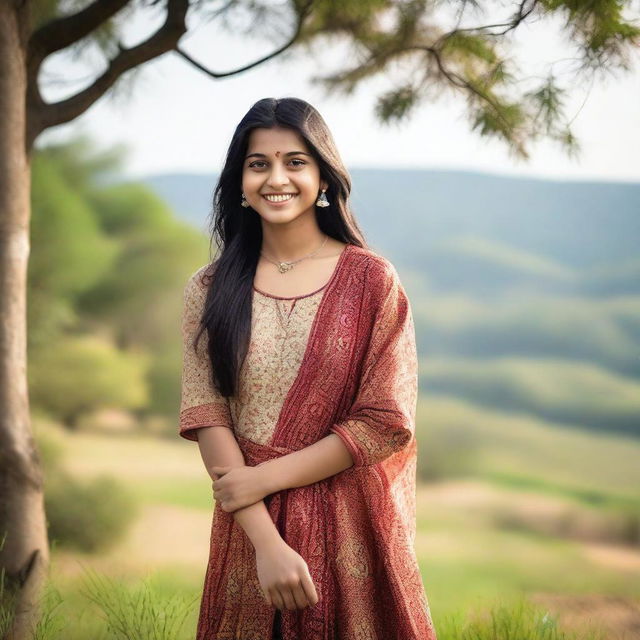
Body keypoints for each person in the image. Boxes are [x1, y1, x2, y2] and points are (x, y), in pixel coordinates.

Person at [179, 96, 437, 639]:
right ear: (240, 183)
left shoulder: (371, 281)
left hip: (350, 527)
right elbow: (208, 414)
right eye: (259, 164)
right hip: (247, 533)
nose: (277, 177)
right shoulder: (208, 288)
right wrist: (266, 542)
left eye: (295, 161)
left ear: (323, 177)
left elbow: (385, 420)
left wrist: (260, 480)